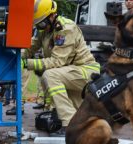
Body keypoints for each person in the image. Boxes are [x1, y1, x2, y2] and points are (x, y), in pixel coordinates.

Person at [21, 0, 101, 136]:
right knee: (80, 120)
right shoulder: (45, 29)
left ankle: (68, 124)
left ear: (52, 16)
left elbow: (57, 62)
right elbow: (30, 47)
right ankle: (75, 124)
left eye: (42, 23)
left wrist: (26, 63)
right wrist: (16, 56)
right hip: (70, 73)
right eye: (38, 25)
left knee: (50, 75)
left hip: (85, 72)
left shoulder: (65, 29)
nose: (41, 27)